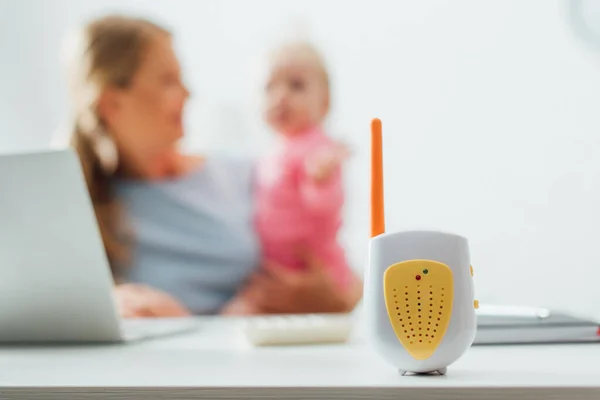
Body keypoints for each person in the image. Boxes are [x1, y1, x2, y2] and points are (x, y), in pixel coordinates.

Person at [64, 14, 363, 317]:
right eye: (168, 81)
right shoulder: (86, 208)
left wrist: (333, 300)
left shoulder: (250, 174)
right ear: (112, 104)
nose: (188, 93)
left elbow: (345, 276)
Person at [222, 41, 352, 314]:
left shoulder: (317, 148)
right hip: (276, 268)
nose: (281, 96)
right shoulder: (267, 154)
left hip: (313, 270)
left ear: (325, 103)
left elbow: (327, 206)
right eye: (270, 87)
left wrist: (320, 180)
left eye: (296, 86)